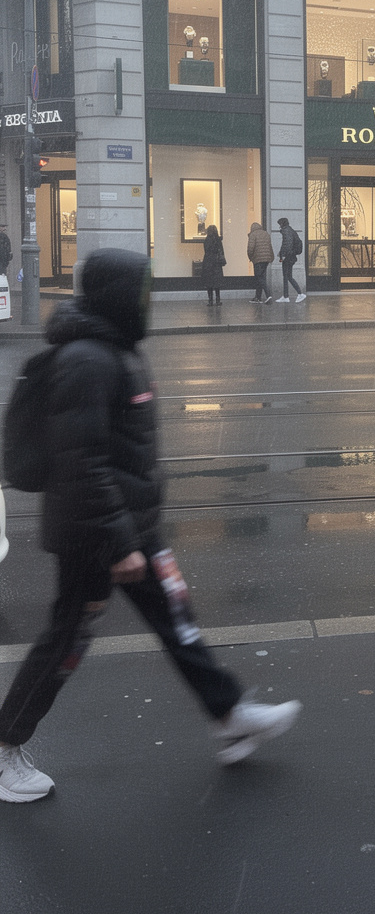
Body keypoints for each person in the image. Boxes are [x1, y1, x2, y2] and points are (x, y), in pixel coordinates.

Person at [0, 249, 300, 803]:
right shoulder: (88, 359)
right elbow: (81, 460)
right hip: (97, 536)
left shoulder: (115, 350)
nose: (149, 302)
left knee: (177, 621)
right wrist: (119, 542)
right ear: (118, 296)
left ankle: (228, 716)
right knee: (66, 639)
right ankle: (4, 749)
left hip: (130, 527)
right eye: (141, 291)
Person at [275, 217, 305, 304]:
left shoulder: (286, 231)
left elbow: (287, 244)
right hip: (290, 256)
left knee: (287, 276)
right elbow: (287, 244)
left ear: (282, 224)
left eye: (279, 224)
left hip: (288, 257)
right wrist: (281, 253)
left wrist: (283, 255)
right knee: (287, 276)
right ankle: (286, 296)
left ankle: (299, 294)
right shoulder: (290, 230)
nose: (279, 226)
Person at [246, 220, 274, 304]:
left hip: (257, 259)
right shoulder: (266, 234)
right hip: (266, 259)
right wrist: (271, 257)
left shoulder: (253, 235)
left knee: (259, 278)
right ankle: (257, 297)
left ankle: (268, 295)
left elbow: (250, 248)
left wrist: (250, 257)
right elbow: (270, 246)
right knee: (261, 277)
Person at [201, 224, 225, 305]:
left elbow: (206, 250)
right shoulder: (218, 240)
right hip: (216, 263)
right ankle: (218, 300)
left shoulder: (207, 240)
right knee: (217, 283)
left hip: (208, 262)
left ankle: (210, 300)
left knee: (209, 282)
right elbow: (221, 251)